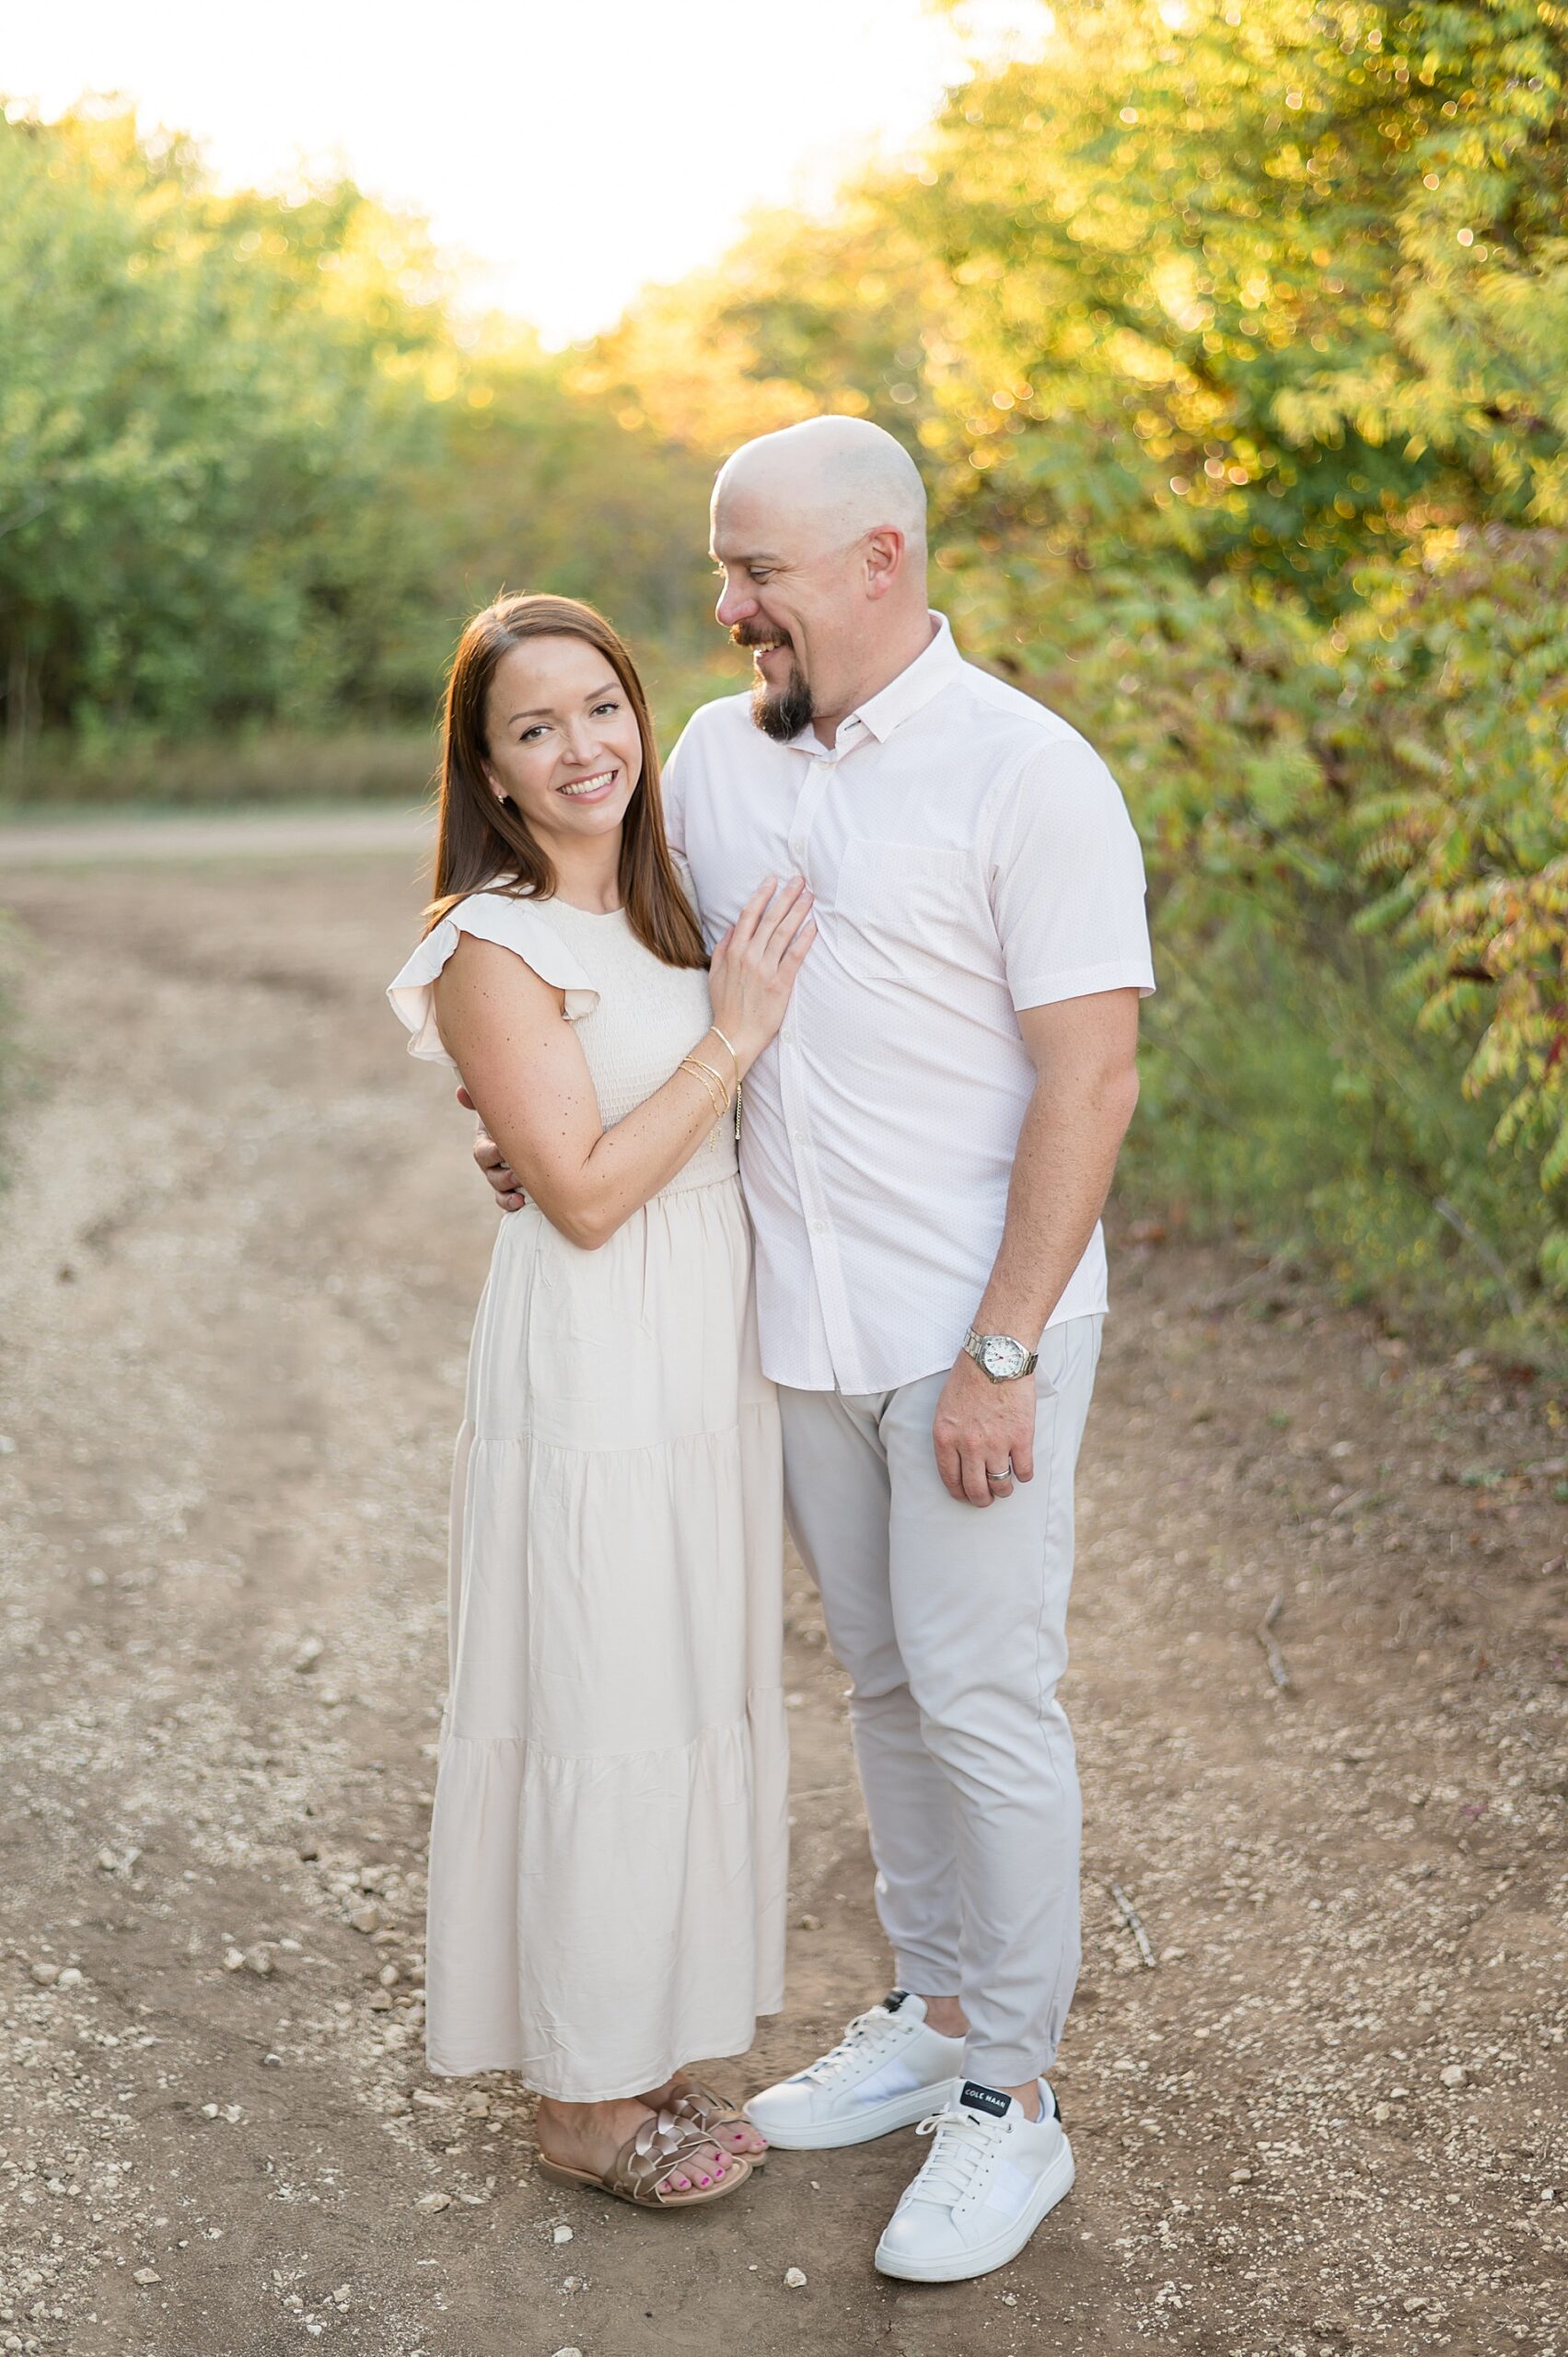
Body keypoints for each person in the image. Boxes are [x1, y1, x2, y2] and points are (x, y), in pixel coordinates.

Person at [476, 415, 1155, 2283]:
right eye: (722, 568)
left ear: (877, 560)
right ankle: (932, 2011)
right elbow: (635, 964)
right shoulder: (712, 754)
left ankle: (1013, 2095)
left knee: (985, 1689)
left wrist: (1002, 1348)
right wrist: (532, 1121)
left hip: (975, 1327)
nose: (725, 605)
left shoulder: (1030, 771)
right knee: (884, 1682)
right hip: (800, 1324)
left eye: (755, 569)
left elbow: (1090, 1073)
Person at [387, 592, 816, 2210]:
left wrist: (706, 1023)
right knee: (599, 1699)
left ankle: (631, 2042)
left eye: (601, 709)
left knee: (678, 1687)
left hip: (702, 1340)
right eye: (535, 729)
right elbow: (575, 1195)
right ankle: (577, 2104)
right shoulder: (495, 943)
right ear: (489, 774)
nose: (584, 750)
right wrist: (735, 1037)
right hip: (598, 1344)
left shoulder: (668, 903)